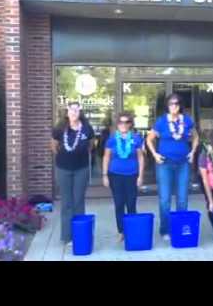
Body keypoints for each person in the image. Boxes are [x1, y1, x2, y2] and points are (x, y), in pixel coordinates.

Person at [146, 94, 200, 241]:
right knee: (165, 199)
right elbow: (149, 139)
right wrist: (155, 155)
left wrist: (193, 152)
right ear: (167, 106)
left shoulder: (187, 120)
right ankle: (165, 230)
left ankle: (180, 228)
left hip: (183, 164)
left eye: (176, 103)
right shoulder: (162, 122)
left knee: (182, 198)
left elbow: (196, 137)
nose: (174, 106)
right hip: (165, 164)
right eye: (171, 104)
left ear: (180, 105)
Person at [51, 102, 95, 247]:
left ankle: (79, 233)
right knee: (67, 202)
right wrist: (64, 156)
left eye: (77, 110)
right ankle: (66, 236)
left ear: (80, 112)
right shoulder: (59, 128)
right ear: (67, 112)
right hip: (63, 169)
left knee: (78, 201)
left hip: (81, 169)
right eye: (71, 109)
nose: (74, 112)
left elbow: (91, 145)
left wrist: (80, 154)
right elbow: (54, 145)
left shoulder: (87, 128)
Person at [102, 112, 144, 243]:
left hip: (132, 175)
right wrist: (104, 175)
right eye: (121, 122)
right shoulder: (112, 139)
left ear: (130, 124)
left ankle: (131, 230)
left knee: (131, 203)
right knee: (119, 203)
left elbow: (141, 157)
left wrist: (141, 176)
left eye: (126, 122)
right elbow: (106, 157)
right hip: (115, 175)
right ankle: (121, 231)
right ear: (117, 124)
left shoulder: (136, 138)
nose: (123, 125)